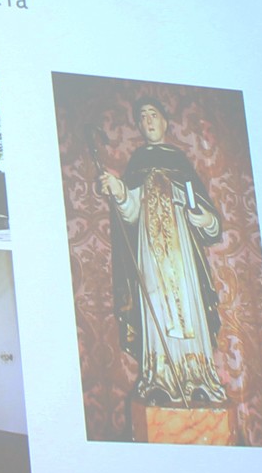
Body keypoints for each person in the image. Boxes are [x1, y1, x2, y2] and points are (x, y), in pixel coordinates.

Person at [97, 97, 229, 408]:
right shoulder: (138, 162)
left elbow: (205, 214)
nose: (148, 121)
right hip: (150, 250)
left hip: (181, 251)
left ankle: (198, 378)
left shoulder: (179, 161)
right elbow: (130, 212)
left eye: (153, 114)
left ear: (165, 122)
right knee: (156, 302)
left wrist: (205, 219)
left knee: (188, 303)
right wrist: (120, 191)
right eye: (142, 117)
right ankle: (161, 379)